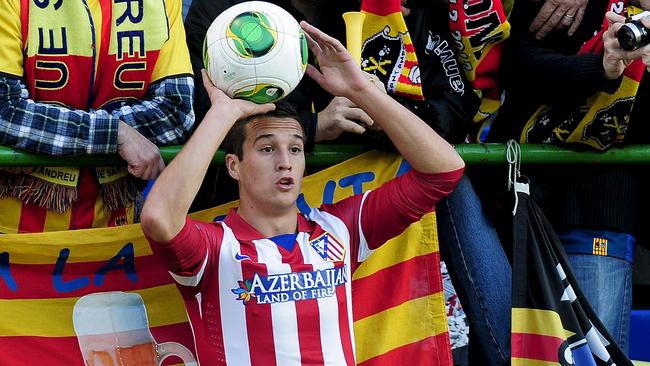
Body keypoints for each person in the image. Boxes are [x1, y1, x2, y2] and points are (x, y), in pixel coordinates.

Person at [140, 21, 464, 364]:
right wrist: (222, 114)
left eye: (295, 149)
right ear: (234, 166)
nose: (285, 162)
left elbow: (443, 170)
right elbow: (159, 218)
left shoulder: (340, 229)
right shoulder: (213, 249)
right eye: (267, 149)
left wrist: (361, 91)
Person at [484, 0, 650, 354]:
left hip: (601, 213)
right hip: (513, 208)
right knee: (504, 351)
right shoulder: (571, 5)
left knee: (591, 356)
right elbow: (517, 67)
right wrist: (601, 68)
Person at [0, 0, 194, 233]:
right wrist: (115, 134)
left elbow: (176, 112)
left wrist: (39, 135)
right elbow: (4, 111)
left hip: (117, 233)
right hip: (12, 231)